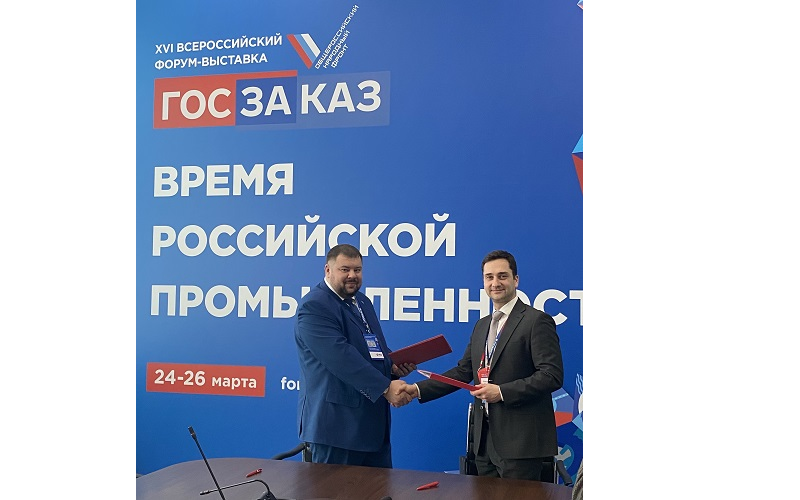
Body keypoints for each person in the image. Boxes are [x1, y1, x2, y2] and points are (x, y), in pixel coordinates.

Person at [404, 249, 564, 480]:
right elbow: (464, 371)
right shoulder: (482, 325)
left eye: (502, 276)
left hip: (521, 444)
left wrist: (502, 392)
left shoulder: (536, 321)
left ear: (516, 280)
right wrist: (416, 390)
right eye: (489, 277)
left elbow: (551, 375)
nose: (495, 283)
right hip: (483, 443)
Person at [295, 243, 415, 467]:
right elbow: (340, 357)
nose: (352, 275)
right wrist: (385, 387)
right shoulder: (314, 305)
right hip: (336, 430)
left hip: (372, 429)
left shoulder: (363, 302)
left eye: (357, 270)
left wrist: (391, 366)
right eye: (345, 269)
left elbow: (370, 347)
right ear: (328, 270)